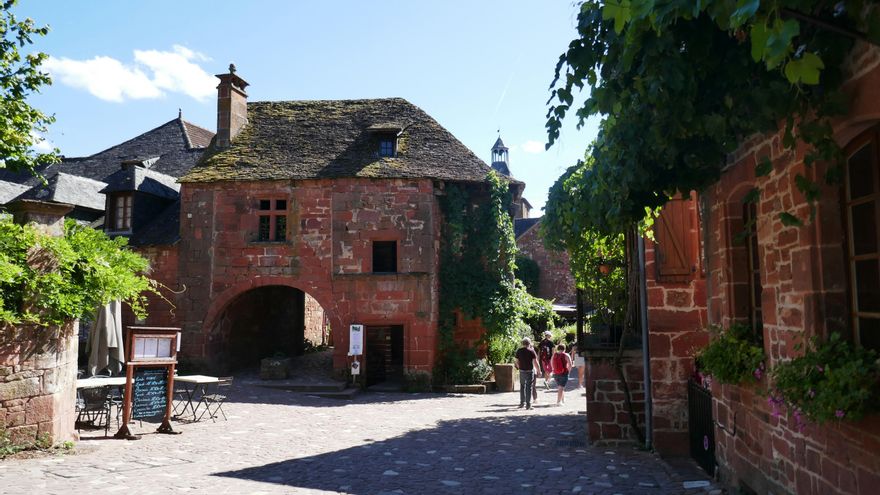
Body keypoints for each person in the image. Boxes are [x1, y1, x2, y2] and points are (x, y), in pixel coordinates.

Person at [514, 337, 541, 410]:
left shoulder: (519, 351)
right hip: (529, 371)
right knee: (529, 387)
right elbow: (535, 362)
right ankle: (528, 405)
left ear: (522, 343)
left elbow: (516, 361)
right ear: (529, 343)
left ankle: (522, 403)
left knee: (522, 386)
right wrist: (539, 370)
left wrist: (519, 367)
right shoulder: (531, 351)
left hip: (522, 370)